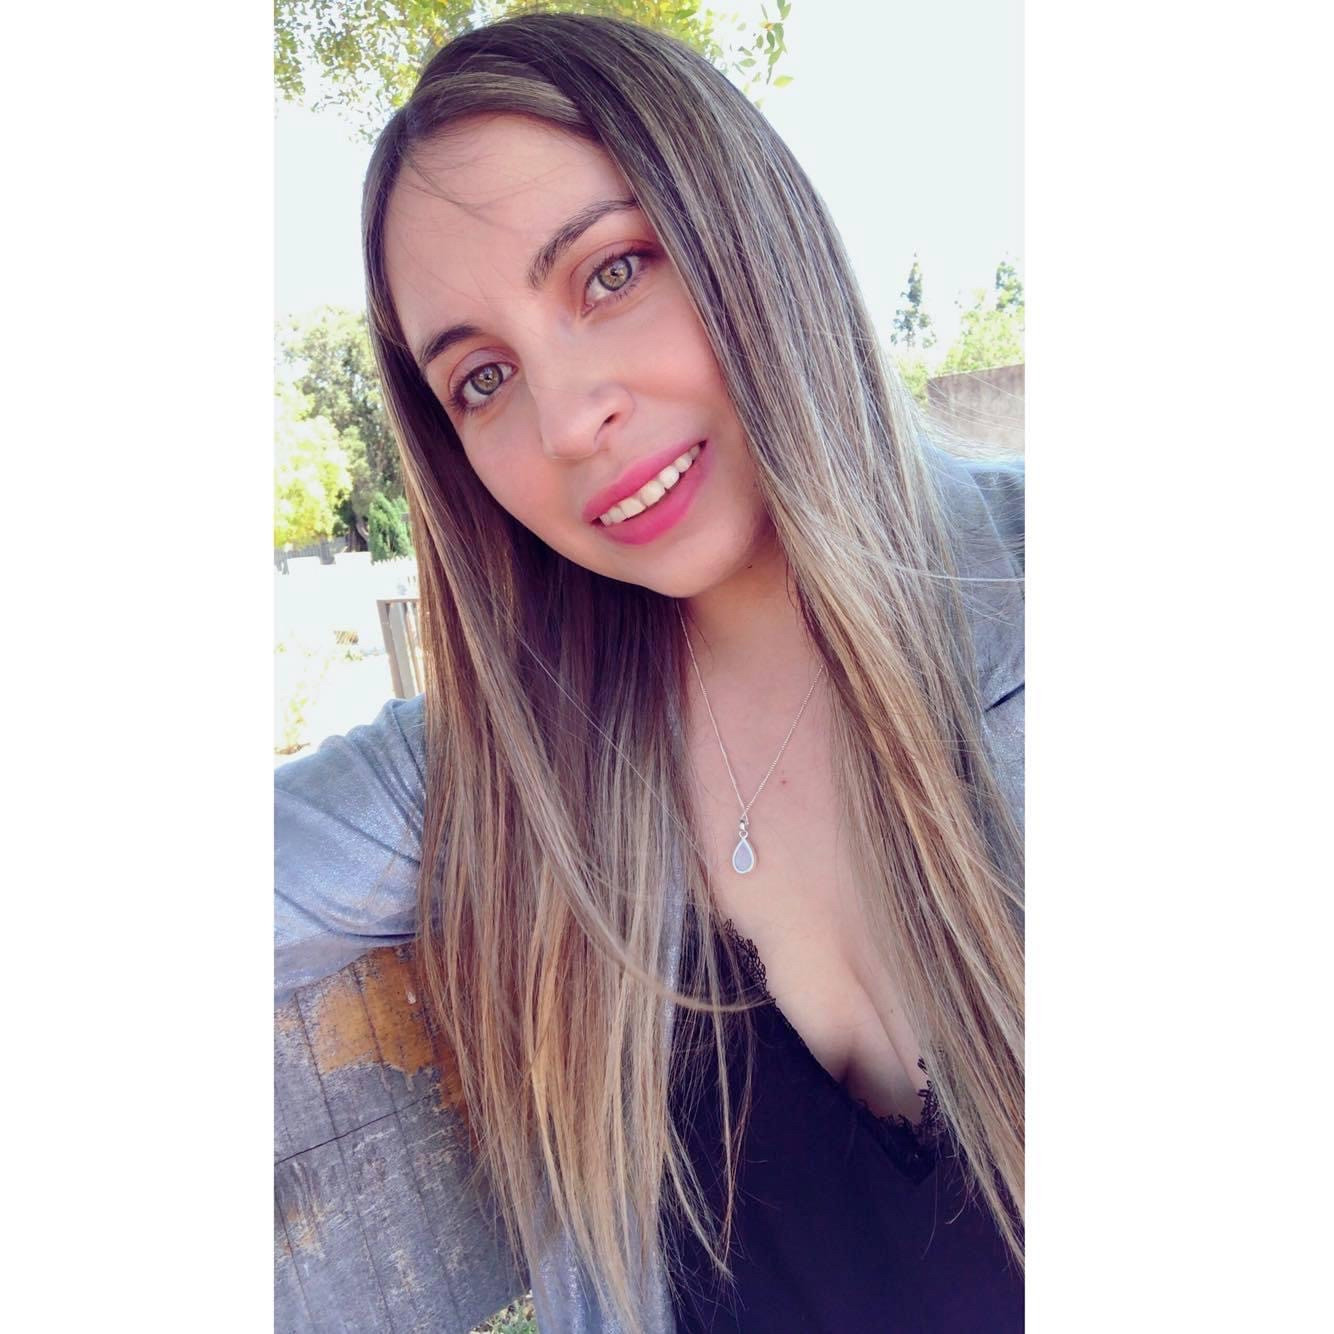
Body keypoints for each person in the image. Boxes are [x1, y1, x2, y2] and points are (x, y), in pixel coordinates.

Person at [276, 12, 1024, 1332]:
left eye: (611, 272)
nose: (568, 421)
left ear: (745, 223)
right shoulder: (509, 765)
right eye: (483, 378)